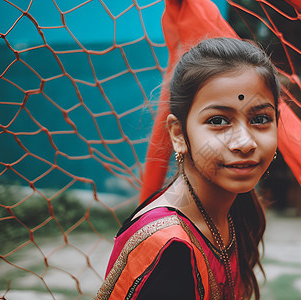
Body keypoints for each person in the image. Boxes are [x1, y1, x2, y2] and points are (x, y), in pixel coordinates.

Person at [96, 37, 280, 300]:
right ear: (179, 134)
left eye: (260, 119)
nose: (244, 142)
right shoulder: (169, 248)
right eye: (218, 121)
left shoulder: (235, 210)